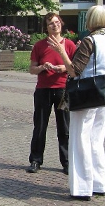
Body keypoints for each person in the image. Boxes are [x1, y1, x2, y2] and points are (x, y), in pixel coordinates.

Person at [48, 5, 105, 201]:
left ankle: (82, 187)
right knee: (96, 138)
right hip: (102, 93)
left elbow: (74, 70)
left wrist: (62, 51)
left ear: (91, 21)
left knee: (80, 138)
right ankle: (99, 183)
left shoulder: (89, 41)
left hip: (85, 94)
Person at [27, 13, 76, 175]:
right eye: (50, 24)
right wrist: (42, 67)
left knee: (65, 128)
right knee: (40, 126)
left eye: (57, 22)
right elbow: (32, 69)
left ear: (61, 24)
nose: (55, 26)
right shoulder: (40, 46)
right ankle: (35, 160)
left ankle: (67, 161)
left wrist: (63, 68)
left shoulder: (69, 45)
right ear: (46, 28)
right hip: (43, 90)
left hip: (63, 89)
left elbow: (75, 68)